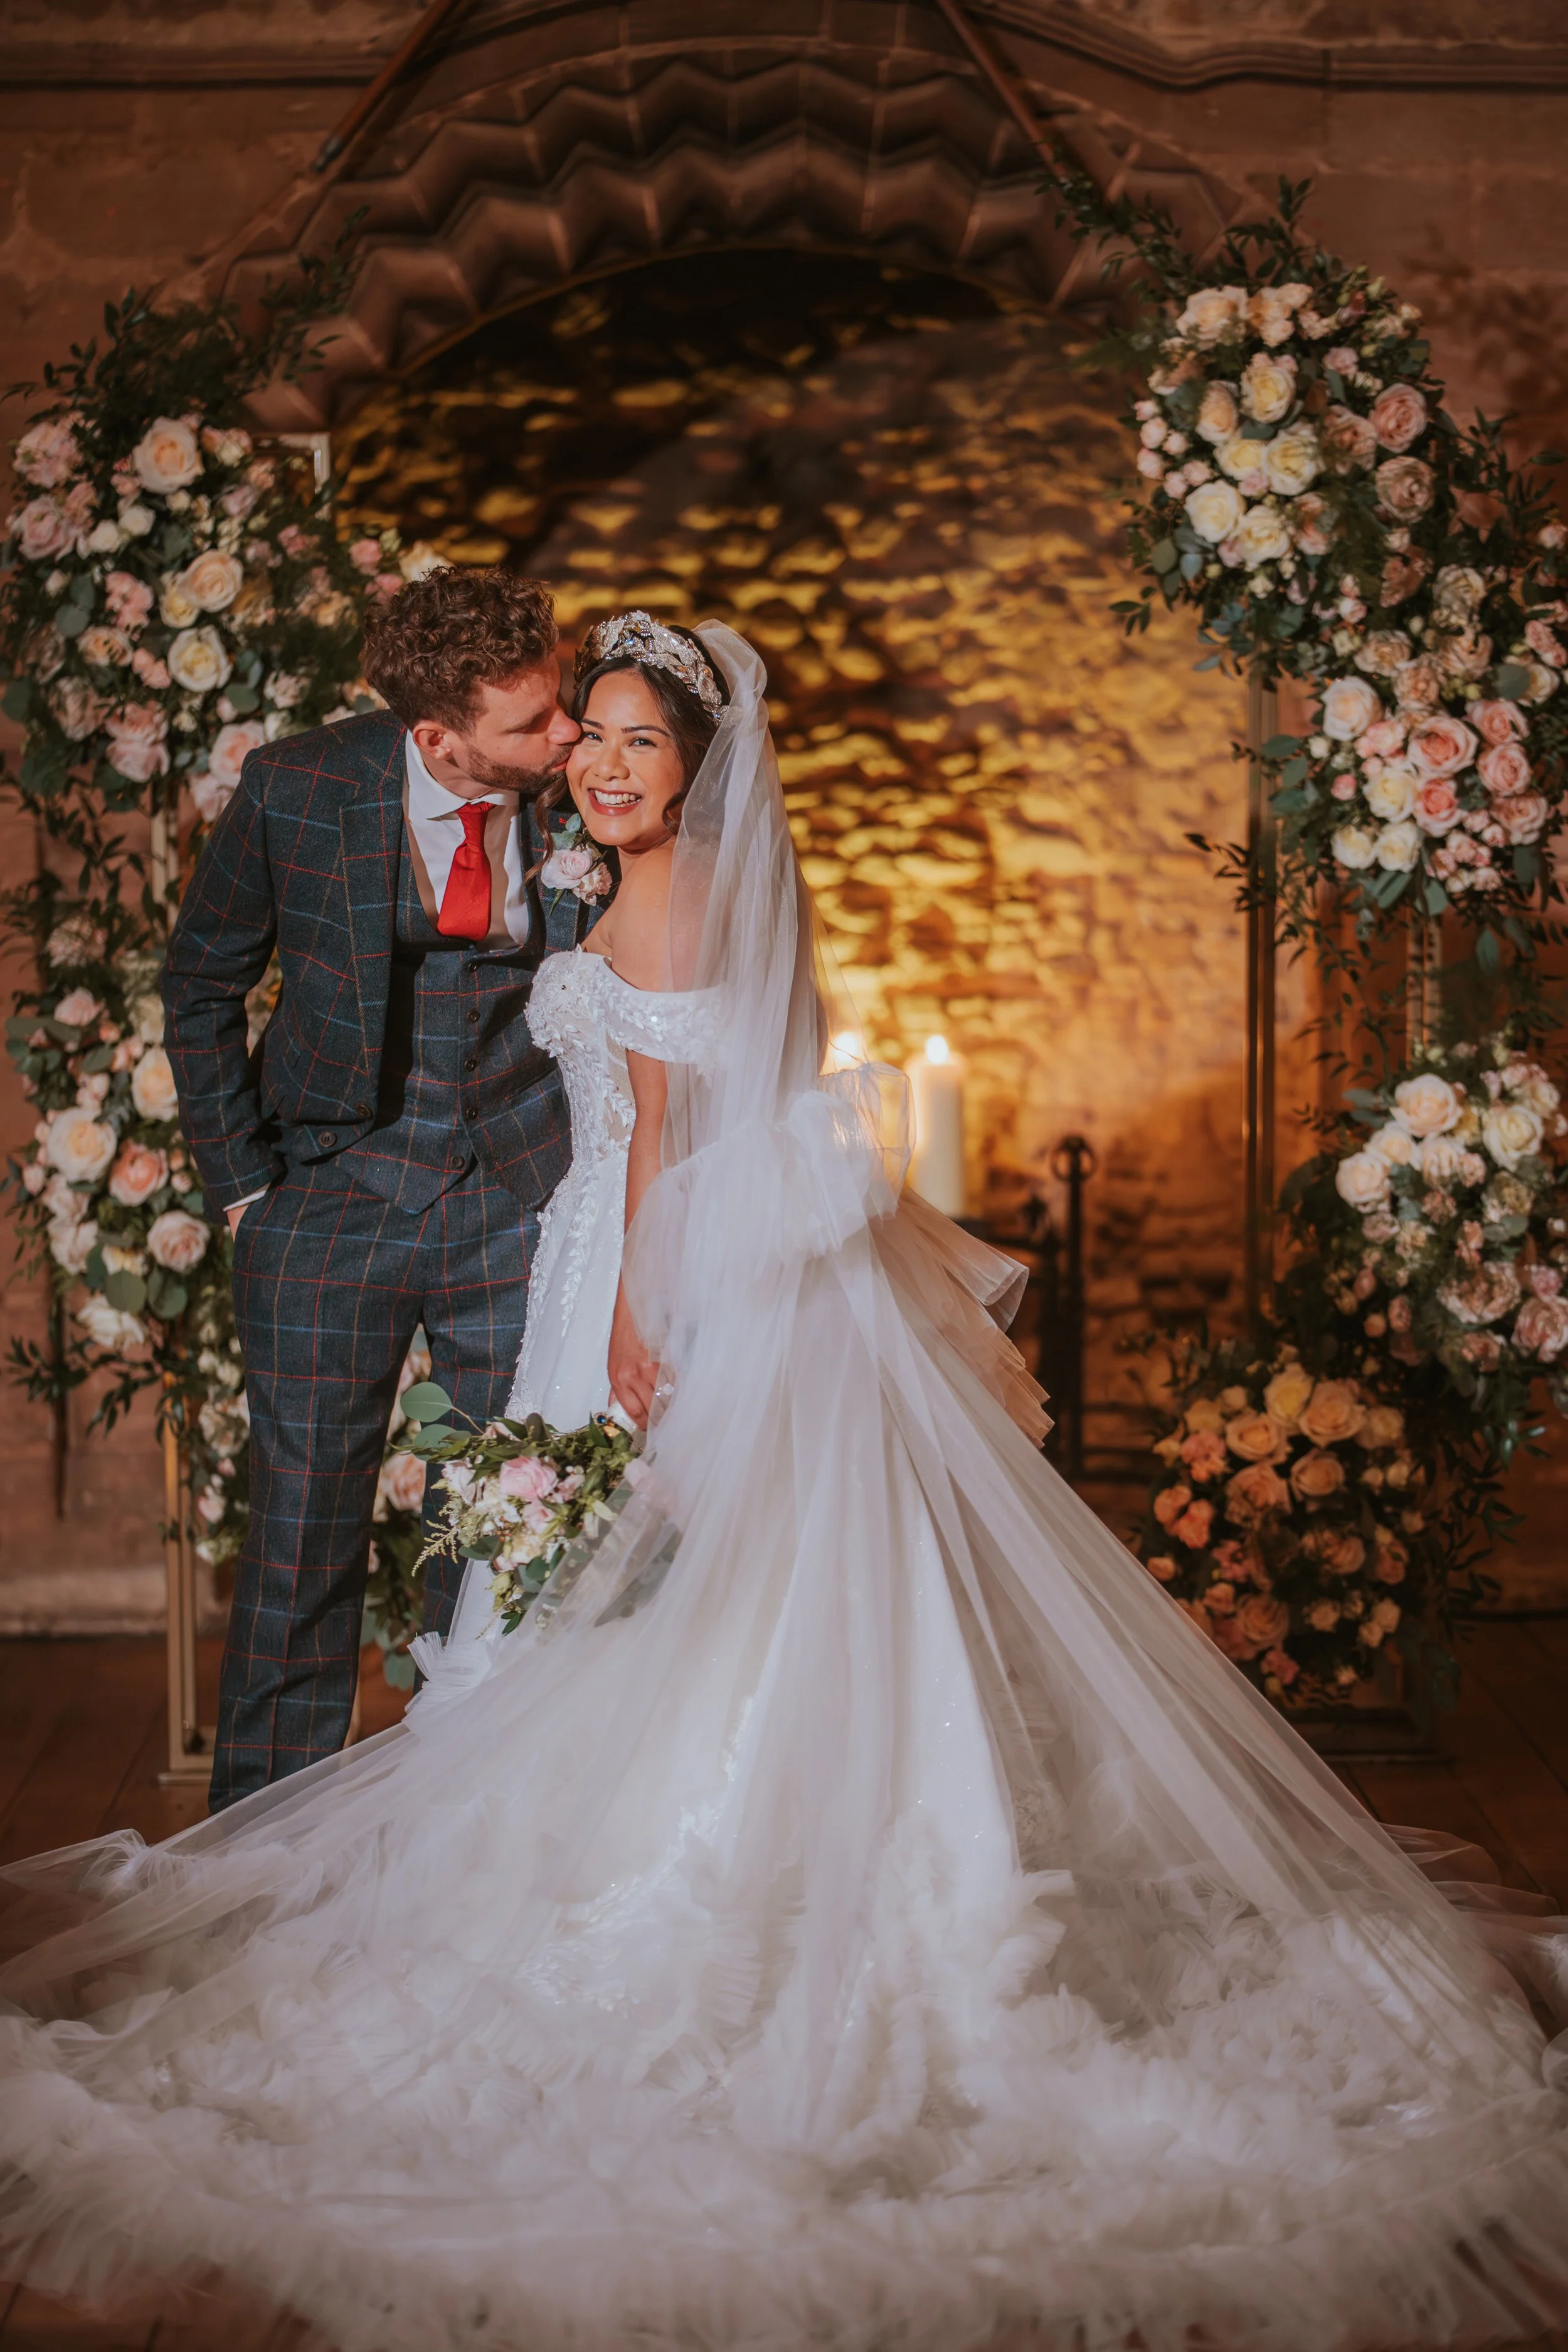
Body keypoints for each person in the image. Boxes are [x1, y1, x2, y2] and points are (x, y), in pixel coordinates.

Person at [3, 614, 1567, 2352]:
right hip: (512, 1236)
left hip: (604, 1255)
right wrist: (253, 1191)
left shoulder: (651, 886)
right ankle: (312, 1861)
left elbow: (665, 1125)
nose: (575, 760)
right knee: (414, 1572)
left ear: (694, 762)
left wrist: (617, 1324)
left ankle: (589, 1890)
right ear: (451, 720)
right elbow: (233, 977)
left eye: (615, 738)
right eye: (561, 730)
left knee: (613, 1596)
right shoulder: (492, 830)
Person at [162, 568, 588, 1809]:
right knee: (299, 1545)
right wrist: (245, 1193)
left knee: (491, 1533)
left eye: (560, 705)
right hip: (325, 1204)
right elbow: (198, 988)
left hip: (514, 1201)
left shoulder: (587, 796)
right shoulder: (297, 789)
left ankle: (469, 1834)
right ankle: (249, 1867)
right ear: (435, 736)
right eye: (534, 721)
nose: (568, 735)